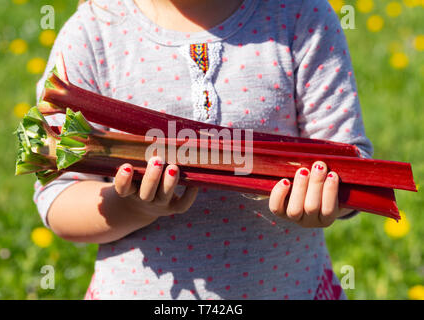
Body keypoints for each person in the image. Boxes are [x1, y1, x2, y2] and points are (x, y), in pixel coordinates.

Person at [34, 0, 373, 300]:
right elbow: (58, 194)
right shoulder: (93, 32)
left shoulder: (302, 16)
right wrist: (131, 207)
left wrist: (327, 198)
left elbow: (351, 167)